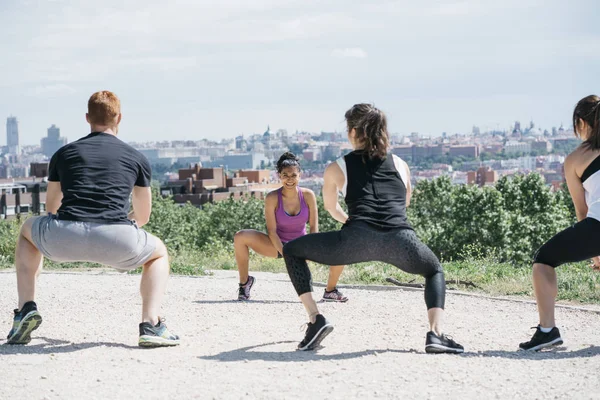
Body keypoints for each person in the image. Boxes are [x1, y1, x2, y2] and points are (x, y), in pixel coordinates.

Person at [282, 104, 464, 353]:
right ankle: (435, 334)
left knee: (292, 250)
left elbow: (331, 208)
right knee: (434, 270)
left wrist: (351, 223)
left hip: (355, 239)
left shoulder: (337, 167)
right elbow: (405, 202)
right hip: (401, 240)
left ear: (354, 131)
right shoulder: (401, 164)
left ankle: (316, 320)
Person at [5, 91, 179, 348]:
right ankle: (150, 324)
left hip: (64, 235)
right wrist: (120, 228)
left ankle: (25, 309)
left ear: (87, 118)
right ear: (119, 117)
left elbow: (51, 208)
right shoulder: (137, 158)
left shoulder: (63, 154)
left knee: (27, 230)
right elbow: (143, 216)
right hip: (118, 239)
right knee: (159, 253)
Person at [520, 95, 600, 351]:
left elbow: (582, 210)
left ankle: (547, 331)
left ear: (581, 122)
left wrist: (596, 252)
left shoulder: (577, 158)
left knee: (543, 260)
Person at [234, 152, 348, 302]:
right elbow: (272, 231)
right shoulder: (272, 198)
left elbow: (314, 228)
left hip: (303, 245)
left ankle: (330, 290)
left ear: (299, 175)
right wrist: (288, 256)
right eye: (285, 175)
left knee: (342, 243)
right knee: (240, 236)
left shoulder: (308, 195)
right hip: (277, 245)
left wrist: (309, 251)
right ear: (279, 176)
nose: (289, 179)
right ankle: (244, 283)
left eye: (293, 175)